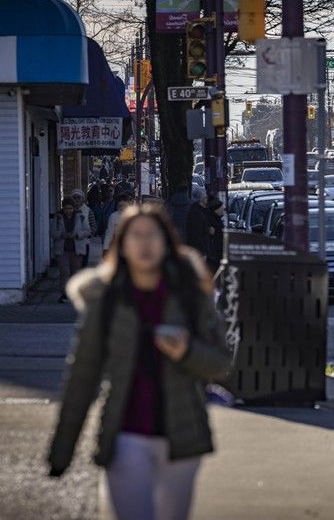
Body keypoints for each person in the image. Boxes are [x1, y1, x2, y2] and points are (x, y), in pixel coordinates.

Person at [47, 204, 230, 520]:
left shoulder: (189, 294)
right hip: (126, 434)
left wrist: (185, 351)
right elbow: (82, 376)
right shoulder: (104, 299)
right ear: (123, 244)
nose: (144, 244)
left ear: (167, 243)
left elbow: (220, 363)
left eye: (152, 235)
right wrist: (62, 450)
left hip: (182, 437)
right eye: (136, 235)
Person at [51, 197, 91, 303]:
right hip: (62, 249)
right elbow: (53, 233)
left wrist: (77, 234)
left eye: (70, 208)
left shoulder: (81, 217)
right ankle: (64, 294)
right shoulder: (58, 218)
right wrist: (62, 234)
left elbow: (87, 231)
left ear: (74, 208)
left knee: (75, 272)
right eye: (66, 208)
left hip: (76, 248)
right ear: (63, 208)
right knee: (65, 272)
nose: (68, 211)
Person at [72, 190, 97, 267]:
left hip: (84, 242)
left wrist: (86, 235)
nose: (76, 199)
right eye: (74, 197)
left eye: (78, 197)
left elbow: (93, 226)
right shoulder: (69, 210)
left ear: (82, 199)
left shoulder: (88, 211)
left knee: (83, 265)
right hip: (70, 243)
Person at [185, 187, 211, 259]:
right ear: (201, 199)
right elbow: (197, 235)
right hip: (200, 251)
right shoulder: (196, 213)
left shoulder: (199, 211)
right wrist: (203, 252)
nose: (207, 199)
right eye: (205, 197)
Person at [205, 196, 225, 273]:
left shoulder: (217, 219)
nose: (223, 209)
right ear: (216, 209)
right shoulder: (212, 221)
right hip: (214, 253)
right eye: (221, 207)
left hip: (218, 252)